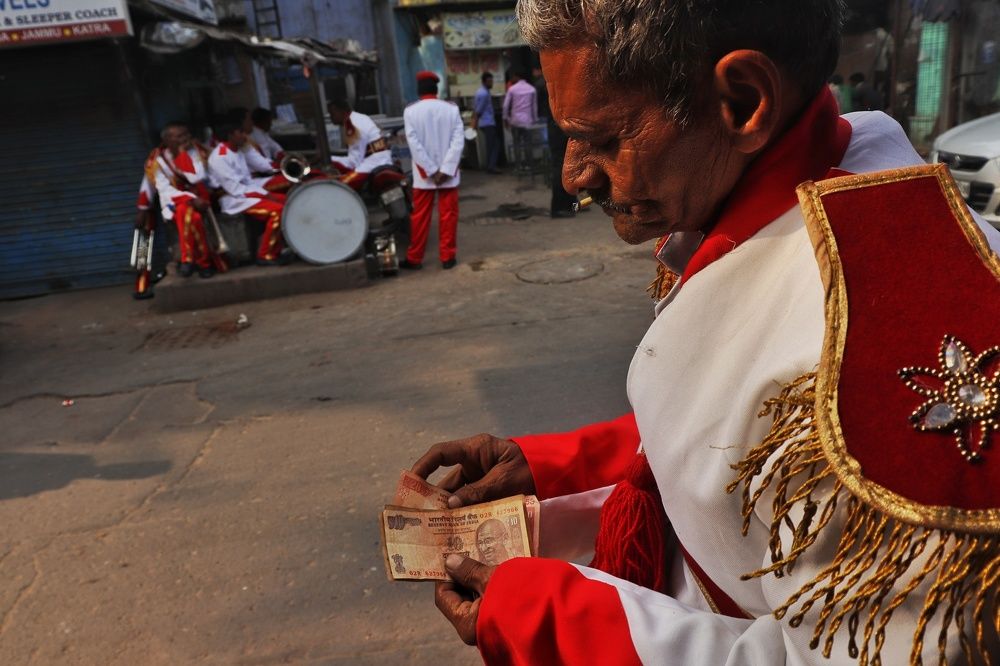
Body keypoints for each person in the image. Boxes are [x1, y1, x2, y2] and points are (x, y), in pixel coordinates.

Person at [408, 1, 1000, 664]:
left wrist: (557, 621)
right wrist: (558, 472)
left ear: (743, 102)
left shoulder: (874, 348)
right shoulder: (818, 175)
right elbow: (739, 448)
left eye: (602, 137)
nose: (573, 176)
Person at [401, 71, 464, 271]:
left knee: (419, 217)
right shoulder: (451, 109)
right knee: (448, 215)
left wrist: (430, 170)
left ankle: (415, 258)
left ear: (419, 90)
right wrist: (445, 170)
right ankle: (447, 257)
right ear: (436, 89)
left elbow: (414, 144)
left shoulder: (410, 112)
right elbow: (458, 140)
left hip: (424, 177)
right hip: (448, 175)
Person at [208, 116, 288, 266]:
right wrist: (267, 195)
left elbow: (256, 173)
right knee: (277, 211)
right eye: (241, 132)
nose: (245, 136)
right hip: (235, 200)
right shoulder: (220, 157)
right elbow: (235, 189)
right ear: (230, 135)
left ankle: (281, 248)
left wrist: (266, 193)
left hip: (248, 194)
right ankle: (265, 254)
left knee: (290, 202)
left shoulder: (239, 149)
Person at [149, 122, 223, 279]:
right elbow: (165, 190)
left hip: (200, 198)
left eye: (186, 134)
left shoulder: (196, 152)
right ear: (167, 140)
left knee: (186, 212)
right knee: (189, 214)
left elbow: (195, 178)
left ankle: (188, 260)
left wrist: (182, 154)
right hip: (175, 202)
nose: (185, 139)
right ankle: (204, 264)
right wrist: (190, 199)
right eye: (179, 136)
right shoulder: (159, 161)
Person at [532, 63, 576, 218]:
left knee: (569, 167)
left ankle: (572, 205)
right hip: (557, 129)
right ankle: (558, 208)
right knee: (560, 168)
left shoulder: (550, 85)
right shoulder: (547, 86)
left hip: (561, 128)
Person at [326, 97, 394, 191]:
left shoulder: (351, 125)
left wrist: (329, 159)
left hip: (373, 163)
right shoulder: (358, 117)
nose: (331, 118)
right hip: (380, 159)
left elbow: (353, 162)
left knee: (341, 186)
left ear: (341, 111)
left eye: (332, 114)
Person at [502, 69, 538, 171]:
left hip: (515, 122)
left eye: (513, 77)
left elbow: (505, 106)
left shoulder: (512, 89)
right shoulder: (531, 89)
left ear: (517, 77)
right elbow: (534, 107)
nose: (512, 79)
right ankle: (529, 166)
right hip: (527, 122)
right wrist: (534, 119)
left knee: (517, 144)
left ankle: (518, 166)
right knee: (528, 144)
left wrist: (506, 118)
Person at [471, 72, 500, 174]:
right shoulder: (484, 93)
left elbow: (475, 108)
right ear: (484, 82)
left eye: (492, 81)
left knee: (491, 144)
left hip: (485, 122)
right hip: (487, 122)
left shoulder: (481, 92)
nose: (491, 83)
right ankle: (491, 166)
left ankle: (490, 165)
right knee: (494, 145)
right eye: (489, 81)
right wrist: (474, 123)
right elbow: (479, 110)